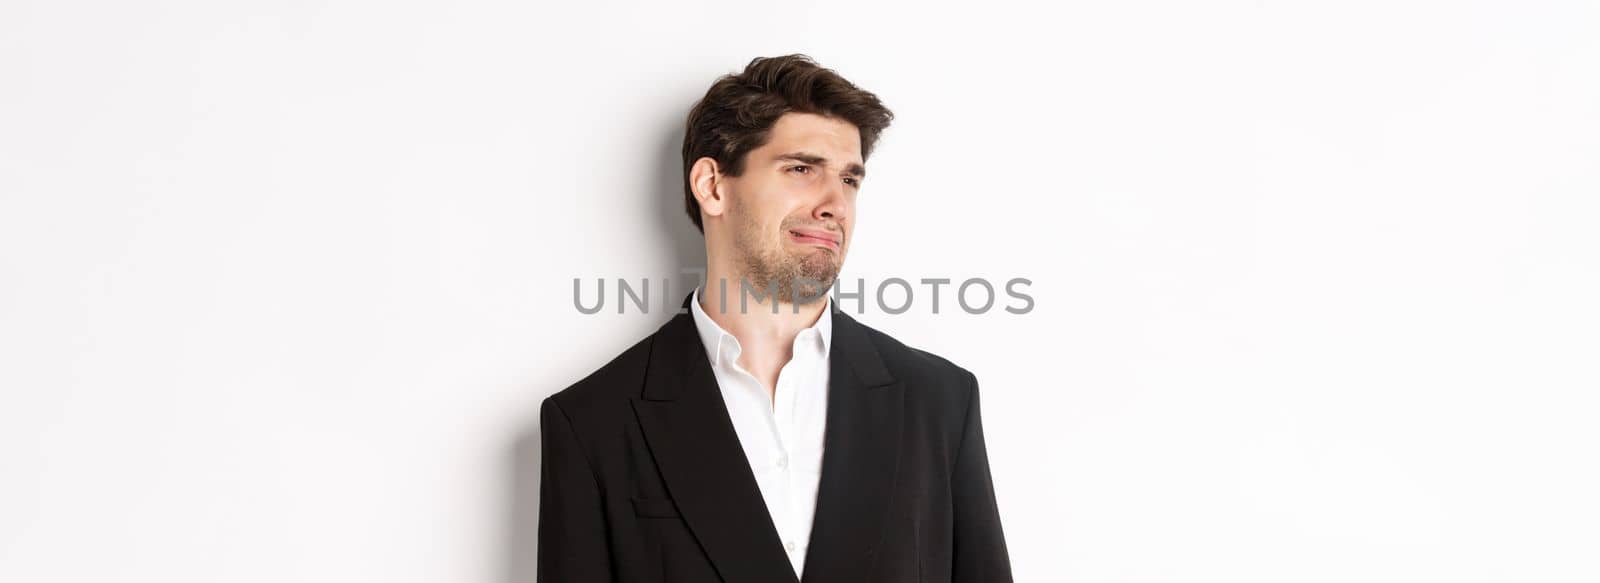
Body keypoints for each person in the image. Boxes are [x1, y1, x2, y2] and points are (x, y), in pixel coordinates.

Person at [538, 54, 1013, 583]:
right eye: (802, 169)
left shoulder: (940, 402)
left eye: (851, 179)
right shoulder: (592, 423)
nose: (836, 203)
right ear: (713, 186)